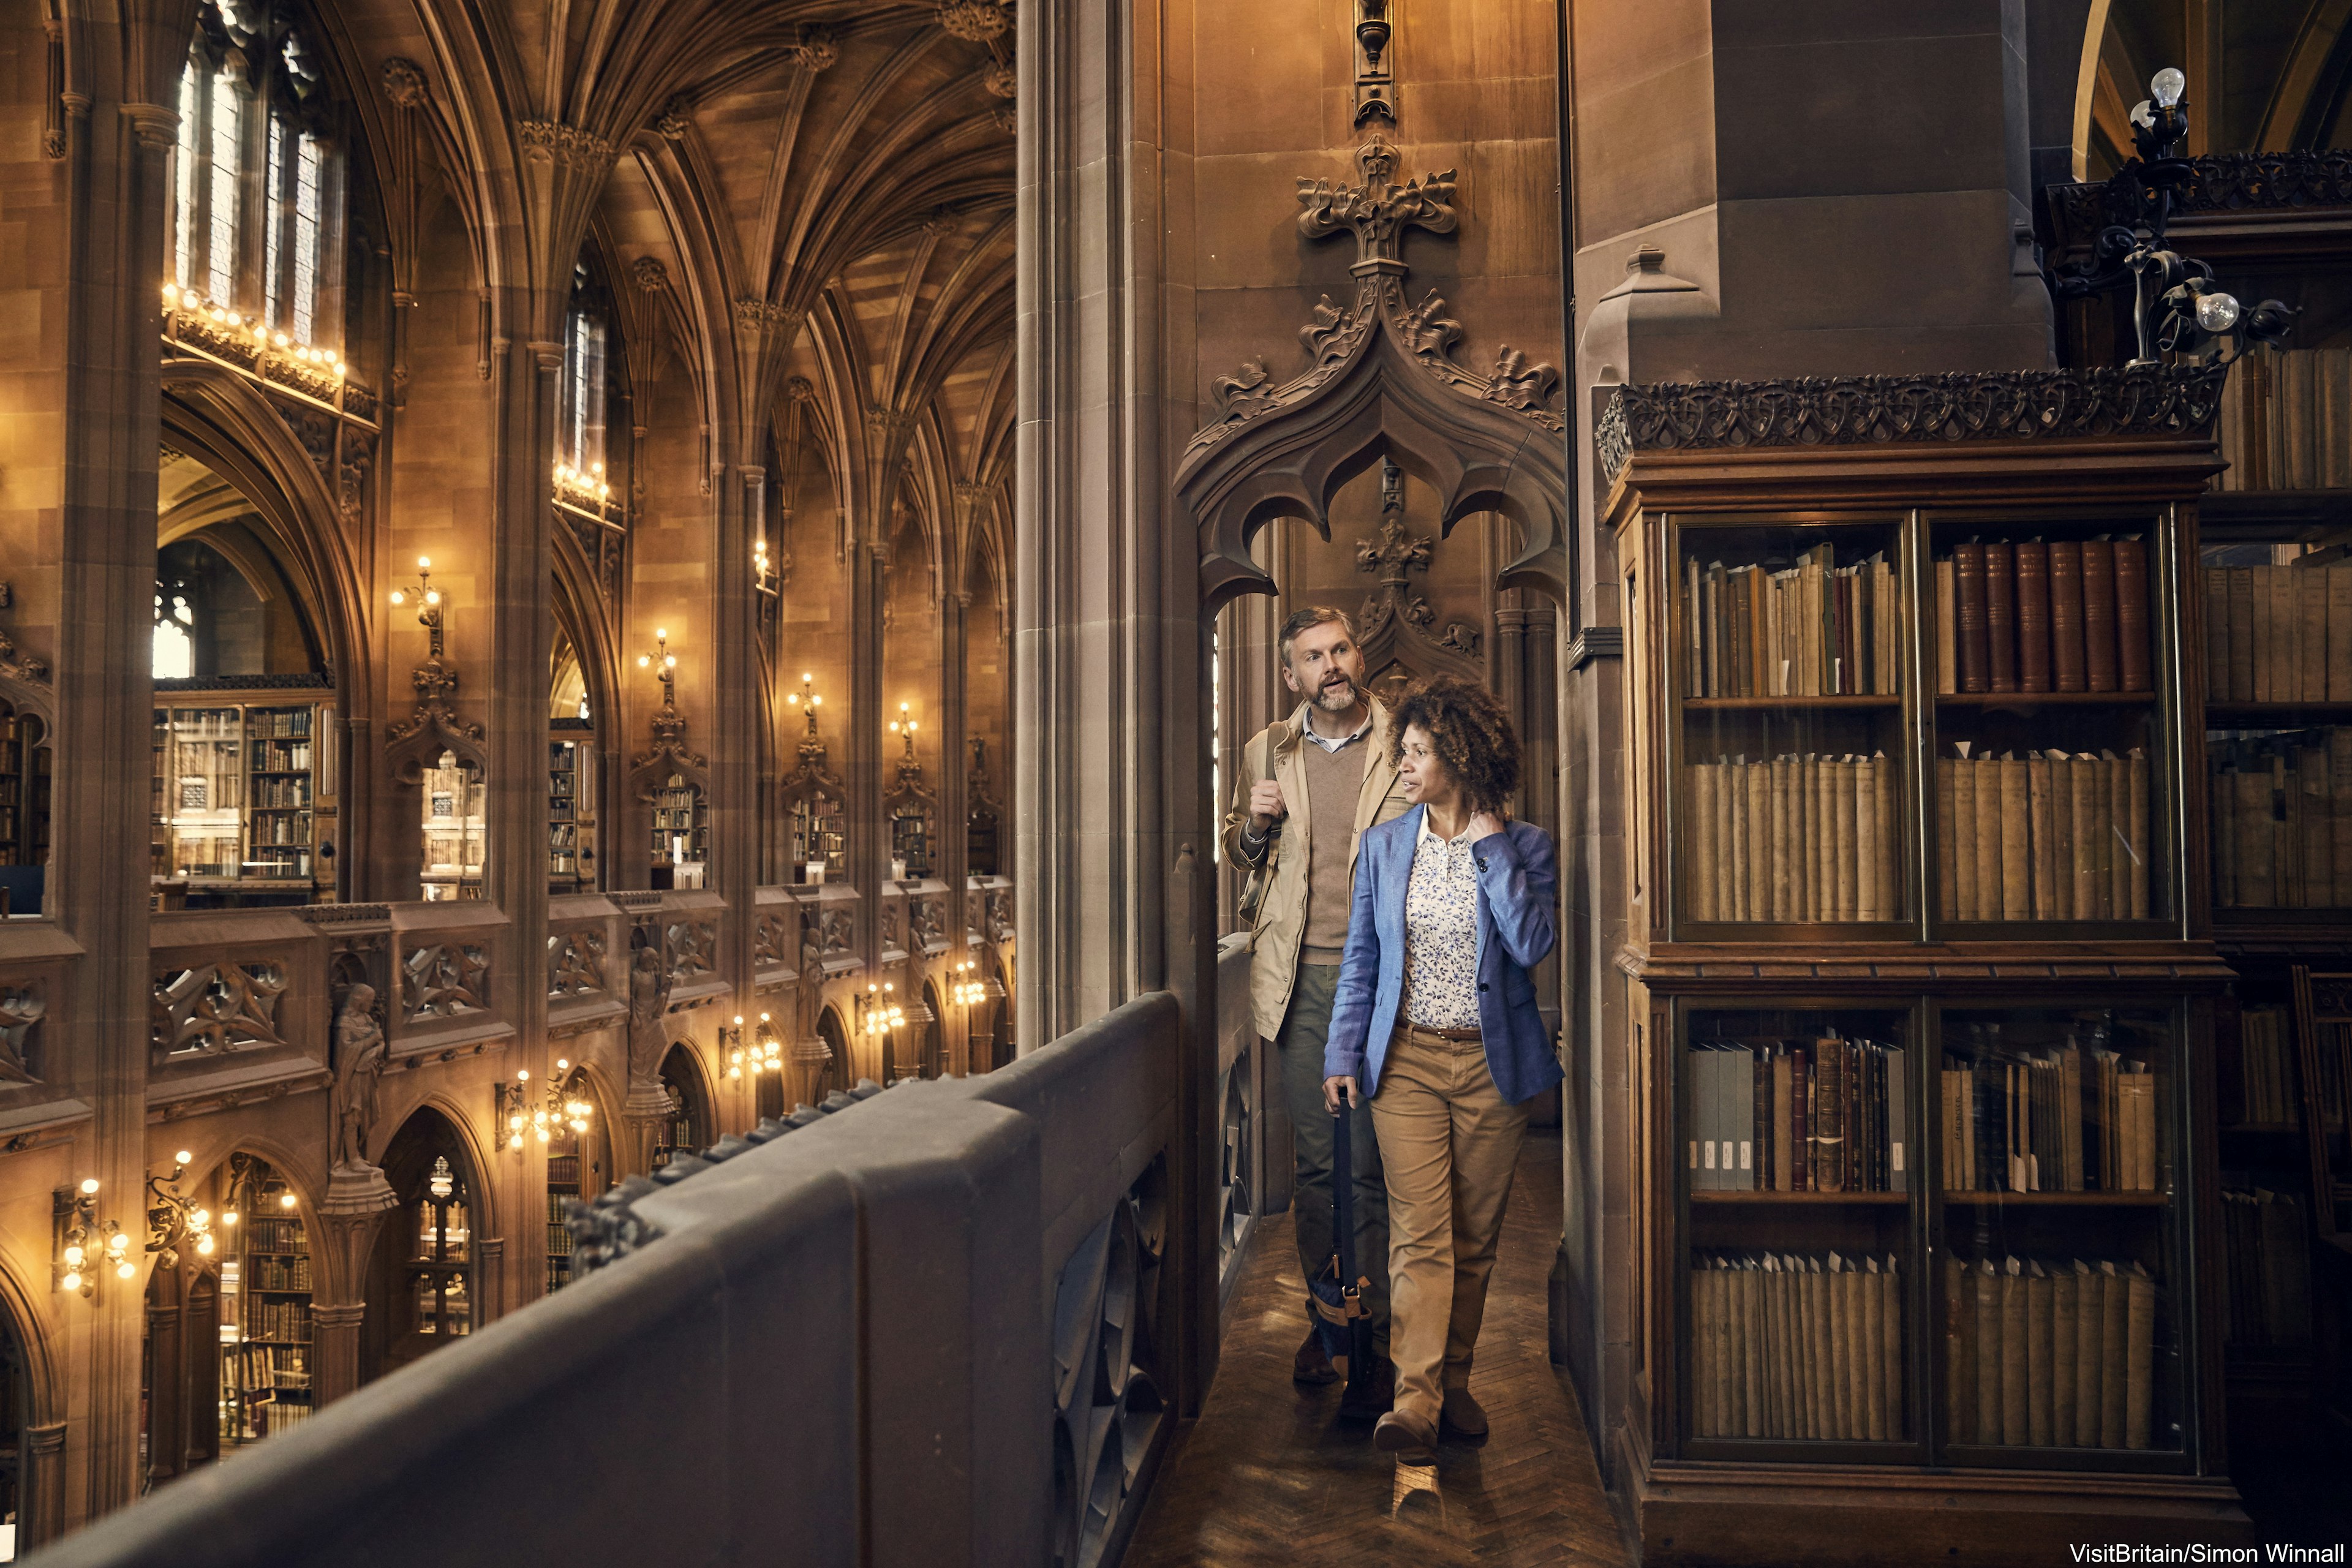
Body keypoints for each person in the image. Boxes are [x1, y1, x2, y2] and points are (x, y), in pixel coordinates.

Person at [1321, 674, 1560, 1461]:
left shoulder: (1524, 847)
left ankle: (1454, 1380)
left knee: (1475, 1239)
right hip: (1409, 1061)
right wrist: (1342, 1051)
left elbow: (1532, 947)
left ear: (1460, 755)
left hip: (1493, 1067)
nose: (1407, 766)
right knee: (1420, 1235)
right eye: (1405, 752)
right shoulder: (1388, 846)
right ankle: (1415, 1403)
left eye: (1420, 752)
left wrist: (1489, 846)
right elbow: (1361, 959)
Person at [1221, 605, 1411, 1406]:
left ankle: (1374, 1337)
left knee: (1373, 1167)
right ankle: (1328, 1323)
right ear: (1292, 675)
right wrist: (1255, 823)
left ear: (1358, 656)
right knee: (1318, 1166)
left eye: (1339, 650)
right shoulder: (1268, 748)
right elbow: (1240, 852)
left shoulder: (1408, 742)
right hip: (1298, 982)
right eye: (1312, 657)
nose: (1330, 666)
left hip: (1388, 983)